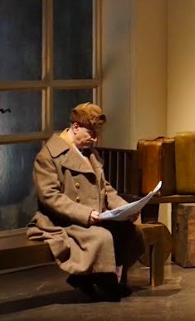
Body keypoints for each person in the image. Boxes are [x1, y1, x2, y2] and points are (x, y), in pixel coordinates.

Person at [27, 102, 144, 300]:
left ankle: (96, 279)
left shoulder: (90, 154)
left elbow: (105, 189)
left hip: (93, 216)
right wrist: (85, 214)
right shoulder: (48, 156)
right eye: (91, 133)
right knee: (101, 237)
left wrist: (126, 208)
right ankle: (105, 283)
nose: (95, 139)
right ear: (75, 127)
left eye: (97, 133)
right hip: (61, 220)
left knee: (130, 233)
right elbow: (50, 197)